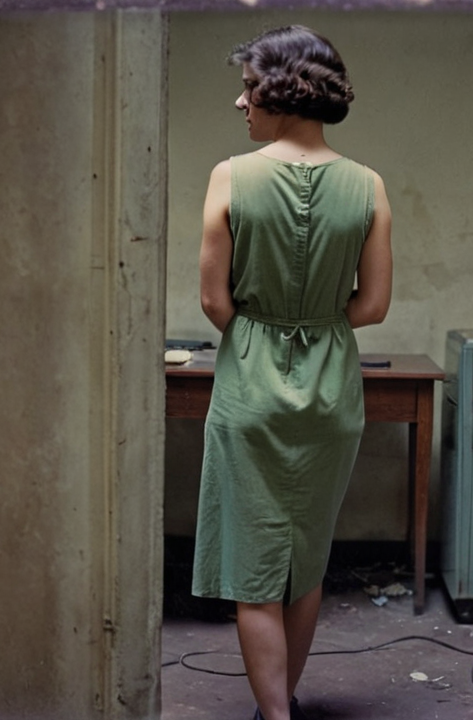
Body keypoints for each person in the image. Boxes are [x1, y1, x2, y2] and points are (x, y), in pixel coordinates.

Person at [191, 25, 393, 720]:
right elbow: (373, 306)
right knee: (305, 560)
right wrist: (317, 320)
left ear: (282, 91)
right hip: (332, 388)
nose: (240, 101)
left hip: (249, 382)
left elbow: (214, 301)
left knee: (252, 566)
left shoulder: (230, 176)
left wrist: (262, 331)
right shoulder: (367, 185)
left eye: (249, 87)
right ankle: (284, 705)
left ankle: (274, 715)